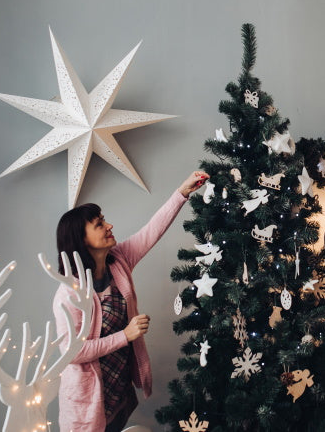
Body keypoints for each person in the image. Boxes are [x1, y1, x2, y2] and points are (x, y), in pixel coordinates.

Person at [53, 171, 209, 432]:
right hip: (89, 402)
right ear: (82, 240)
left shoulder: (119, 260)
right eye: (99, 224)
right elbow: (73, 352)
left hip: (119, 390)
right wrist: (126, 335)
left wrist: (182, 191)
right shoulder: (69, 293)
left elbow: (152, 230)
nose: (109, 226)